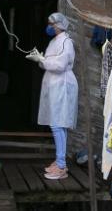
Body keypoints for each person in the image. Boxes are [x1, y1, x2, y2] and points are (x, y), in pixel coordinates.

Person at [27, 12, 78, 181]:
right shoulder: (54, 41)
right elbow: (49, 62)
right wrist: (40, 59)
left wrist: (42, 59)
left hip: (62, 84)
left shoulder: (66, 42)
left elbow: (60, 65)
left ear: (59, 25)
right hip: (54, 83)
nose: (49, 26)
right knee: (56, 123)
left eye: (51, 23)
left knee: (58, 124)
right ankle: (59, 160)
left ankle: (62, 166)